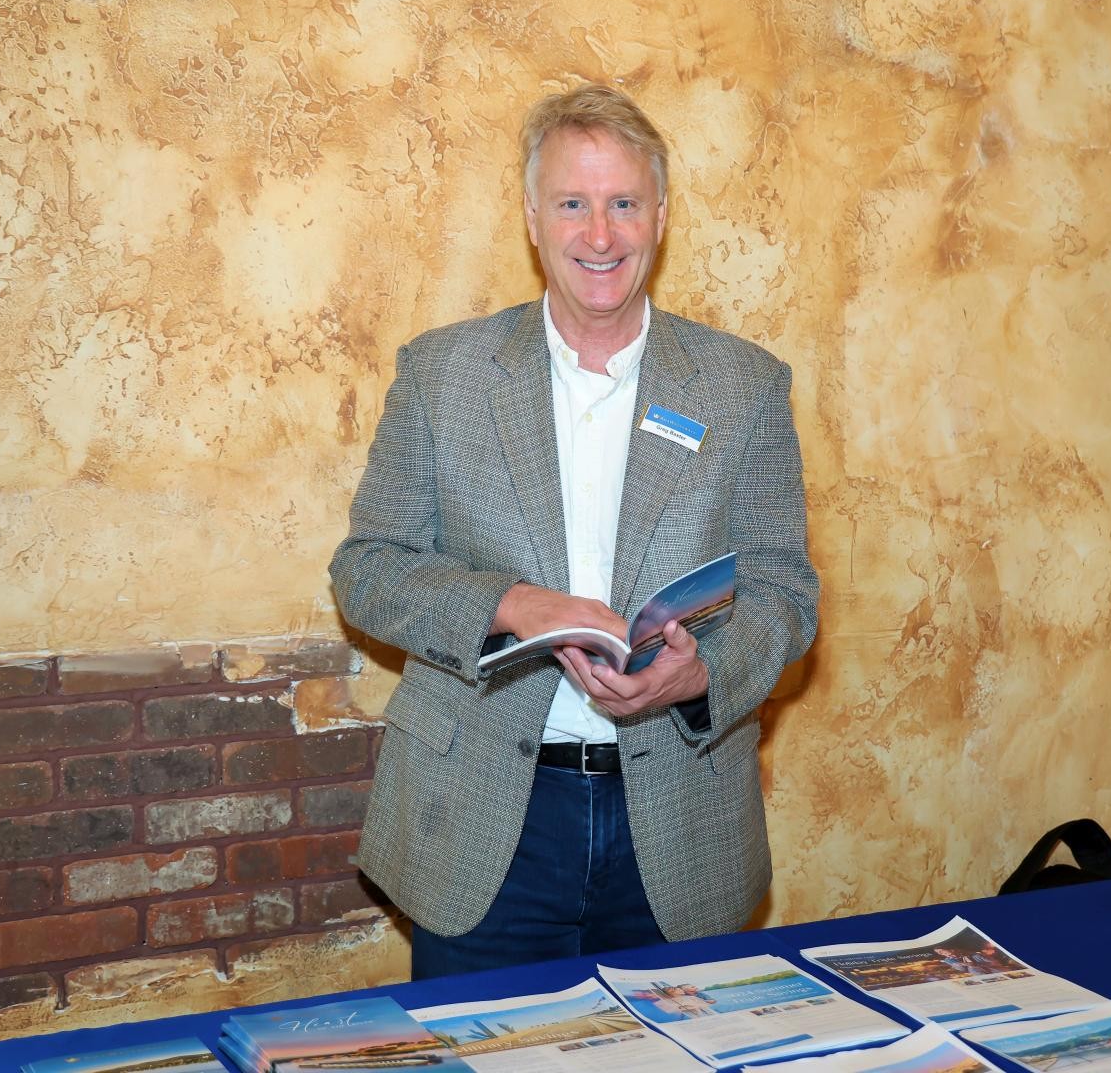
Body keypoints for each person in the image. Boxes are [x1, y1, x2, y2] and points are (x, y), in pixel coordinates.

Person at [329, 84, 819, 979]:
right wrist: (515, 605)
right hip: (482, 819)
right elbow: (368, 569)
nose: (600, 234)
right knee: (484, 1044)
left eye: (624, 203)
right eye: (572, 204)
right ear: (531, 218)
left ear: (661, 216)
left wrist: (702, 675)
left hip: (680, 821)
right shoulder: (442, 375)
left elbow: (784, 592)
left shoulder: (745, 386)